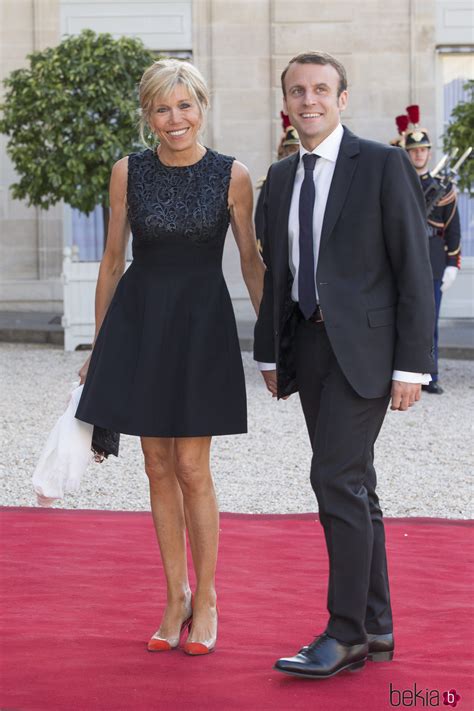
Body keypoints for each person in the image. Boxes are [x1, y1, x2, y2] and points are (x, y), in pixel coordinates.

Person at [254, 51, 435, 679]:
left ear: (343, 97)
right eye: (298, 91)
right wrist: (271, 350)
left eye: (322, 89)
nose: (310, 100)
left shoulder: (382, 165)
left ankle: (346, 632)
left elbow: (414, 268)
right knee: (356, 483)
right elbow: (280, 275)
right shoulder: (280, 179)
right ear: (287, 103)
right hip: (308, 347)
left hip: (366, 352)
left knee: (333, 480)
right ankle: (379, 626)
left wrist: (413, 366)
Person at [76, 59, 265, 656]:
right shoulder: (127, 172)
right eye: (162, 108)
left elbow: (251, 262)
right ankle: (174, 596)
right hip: (141, 322)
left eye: (184, 105)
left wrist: (274, 342)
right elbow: (111, 262)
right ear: (148, 115)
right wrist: (100, 345)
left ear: (201, 107)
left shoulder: (232, 175)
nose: (174, 118)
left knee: (191, 467)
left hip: (200, 325)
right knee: (155, 466)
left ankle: (207, 598)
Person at [404, 123, 461, 394]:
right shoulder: (400, 185)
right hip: (404, 262)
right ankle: (405, 372)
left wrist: (452, 263)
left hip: (434, 262)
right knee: (402, 319)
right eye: (413, 151)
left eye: (422, 150)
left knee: (431, 320)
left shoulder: (441, 188)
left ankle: (431, 373)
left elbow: (453, 227)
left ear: (429, 153)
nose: (418, 155)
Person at [255, 112, 299, 253]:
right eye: (290, 150)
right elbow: (261, 224)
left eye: (297, 150)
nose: (293, 154)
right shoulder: (271, 182)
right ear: (283, 152)